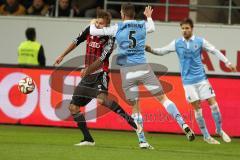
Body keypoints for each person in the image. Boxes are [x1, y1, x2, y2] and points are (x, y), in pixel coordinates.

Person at [88, 3, 195, 149]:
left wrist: (93, 22)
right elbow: (152, 27)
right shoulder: (142, 25)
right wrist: (149, 17)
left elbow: (94, 31)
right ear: (133, 14)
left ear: (122, 14)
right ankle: (183, 123)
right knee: (163, 99)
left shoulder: (117, 28)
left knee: (136, 106)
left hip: (127, 71)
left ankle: (142, 140)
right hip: (143, 68)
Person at [54, 9, 140, 146]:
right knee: (73, 107)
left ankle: (129, 120)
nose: (99, 26)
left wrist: (87, 70)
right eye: (98, 23)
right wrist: (62, 55)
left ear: (107, 26)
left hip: (100, 73)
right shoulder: (90, 29)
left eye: (102, 24)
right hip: (87, 76)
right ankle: (88, 139)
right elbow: (76, 41)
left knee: (102, 100)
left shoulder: (110, 39)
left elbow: (102, 59)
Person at [145, 18, 237, 144]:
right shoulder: (177, 43)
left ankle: (219, 130)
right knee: (197, 109)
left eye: (187, 28)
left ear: (192, 29)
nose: (184, 30)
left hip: (202, 79)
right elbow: (162, 51)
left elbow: (214, 50)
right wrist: (151, 50)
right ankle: (206, 136)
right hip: (188, 82)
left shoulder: (200, 41)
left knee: (214, 104)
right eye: (182, 28)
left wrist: (227, 62)